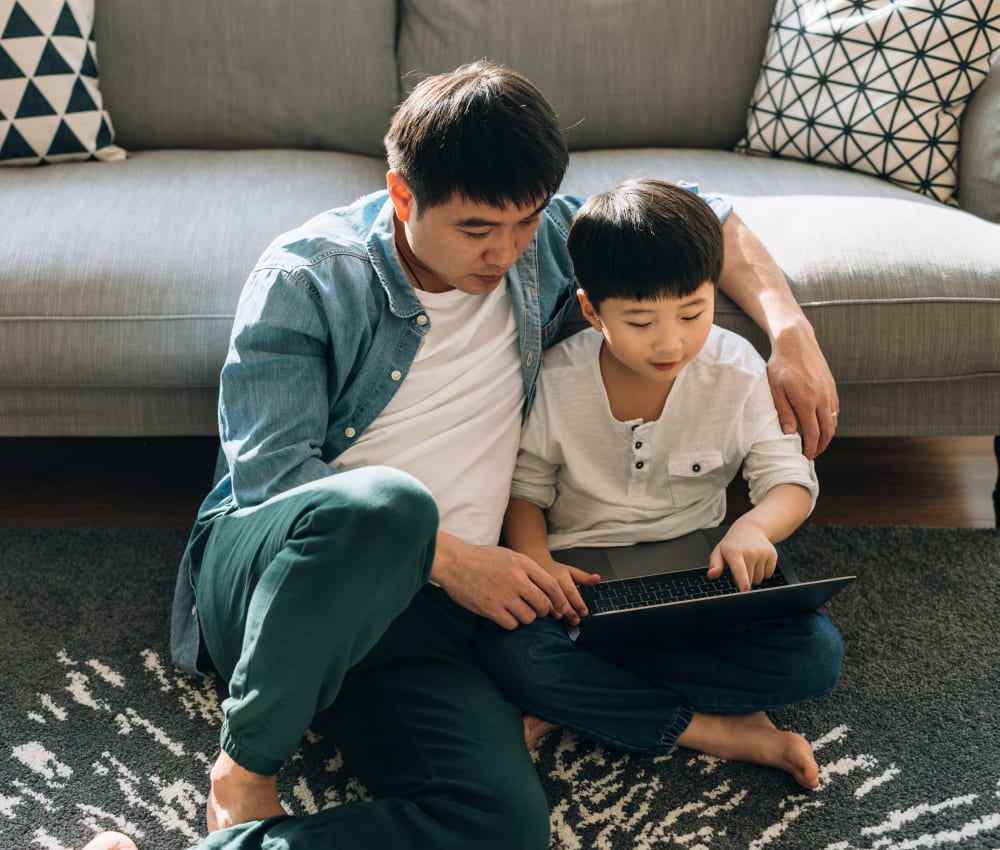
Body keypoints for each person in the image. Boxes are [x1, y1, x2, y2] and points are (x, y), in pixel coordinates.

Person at [150, 61, 838, 850]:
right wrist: (452, 560)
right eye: (477, 230)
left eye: (526, 222)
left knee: (504, 828)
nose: (508, 252)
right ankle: (248, 764)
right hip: (289, 575)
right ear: (403, 194)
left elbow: (709, 220)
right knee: (391, 507)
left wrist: (790, 334)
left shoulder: (540, 241)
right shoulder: (309, 277)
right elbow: (270, 479)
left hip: (436, 616)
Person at [476, 179, 844, 790]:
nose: (670, 341)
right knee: (507, 648)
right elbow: (525, 490)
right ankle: (717, 729)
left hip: (696, 580)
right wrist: (538, 562)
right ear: (593, 312)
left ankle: (577, 697)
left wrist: (754, 527)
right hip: (576, 582)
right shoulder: (559, 379)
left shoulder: (738, 371)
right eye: (641, 321)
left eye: (693, 313)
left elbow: (788, 480)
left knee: (814, 656)